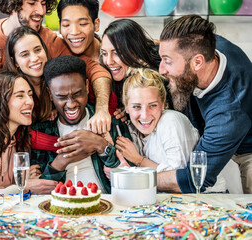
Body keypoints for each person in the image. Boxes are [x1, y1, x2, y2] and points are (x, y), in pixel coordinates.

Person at [0, 0, 112, 134]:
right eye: (32, 3)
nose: (41, 11)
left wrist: (102, 110)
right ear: (12, 4)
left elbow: (94, 69)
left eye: (44, 3)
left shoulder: (49, 39)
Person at [157, 15, 252, 194]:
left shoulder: (229, 110)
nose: (161, 69)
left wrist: (138, 178)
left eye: (167, 61)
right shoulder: (203, 43)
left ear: (197, 62)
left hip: (247, 148)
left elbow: (193, 179)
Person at [31, 55, 131, 194]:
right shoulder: (41, 131)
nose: (71, 104)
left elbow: (130, 179)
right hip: (60, 207)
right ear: (50, 94)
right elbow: (40, 190)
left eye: (77, 94)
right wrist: (62, 161)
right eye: (61, 97)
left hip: (107, 203)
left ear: (87, 87)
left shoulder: (113, 122)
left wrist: (101, 145)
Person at [5, 26, 117, 122]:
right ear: (15, 62)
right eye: (25, 54)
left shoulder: (58, 77)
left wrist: (103, 112)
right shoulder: (12, 89)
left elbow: (111, 101)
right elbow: (18, 132)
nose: (34, 58)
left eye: (38, 50)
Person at [111, 68, 199, 173]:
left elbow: (177, 179)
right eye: (136, 107)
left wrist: (138, 160)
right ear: (126, 107)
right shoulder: (131, 129)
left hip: (203, 190)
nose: (144, 116)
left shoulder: (171, 122)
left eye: (152, 105)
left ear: (163, 104)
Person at [100, 19, 171, 119]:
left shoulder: (158, 77)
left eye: (116, 53)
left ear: (135, 51)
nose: (108, 61)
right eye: (104, 53)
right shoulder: (105, 76)